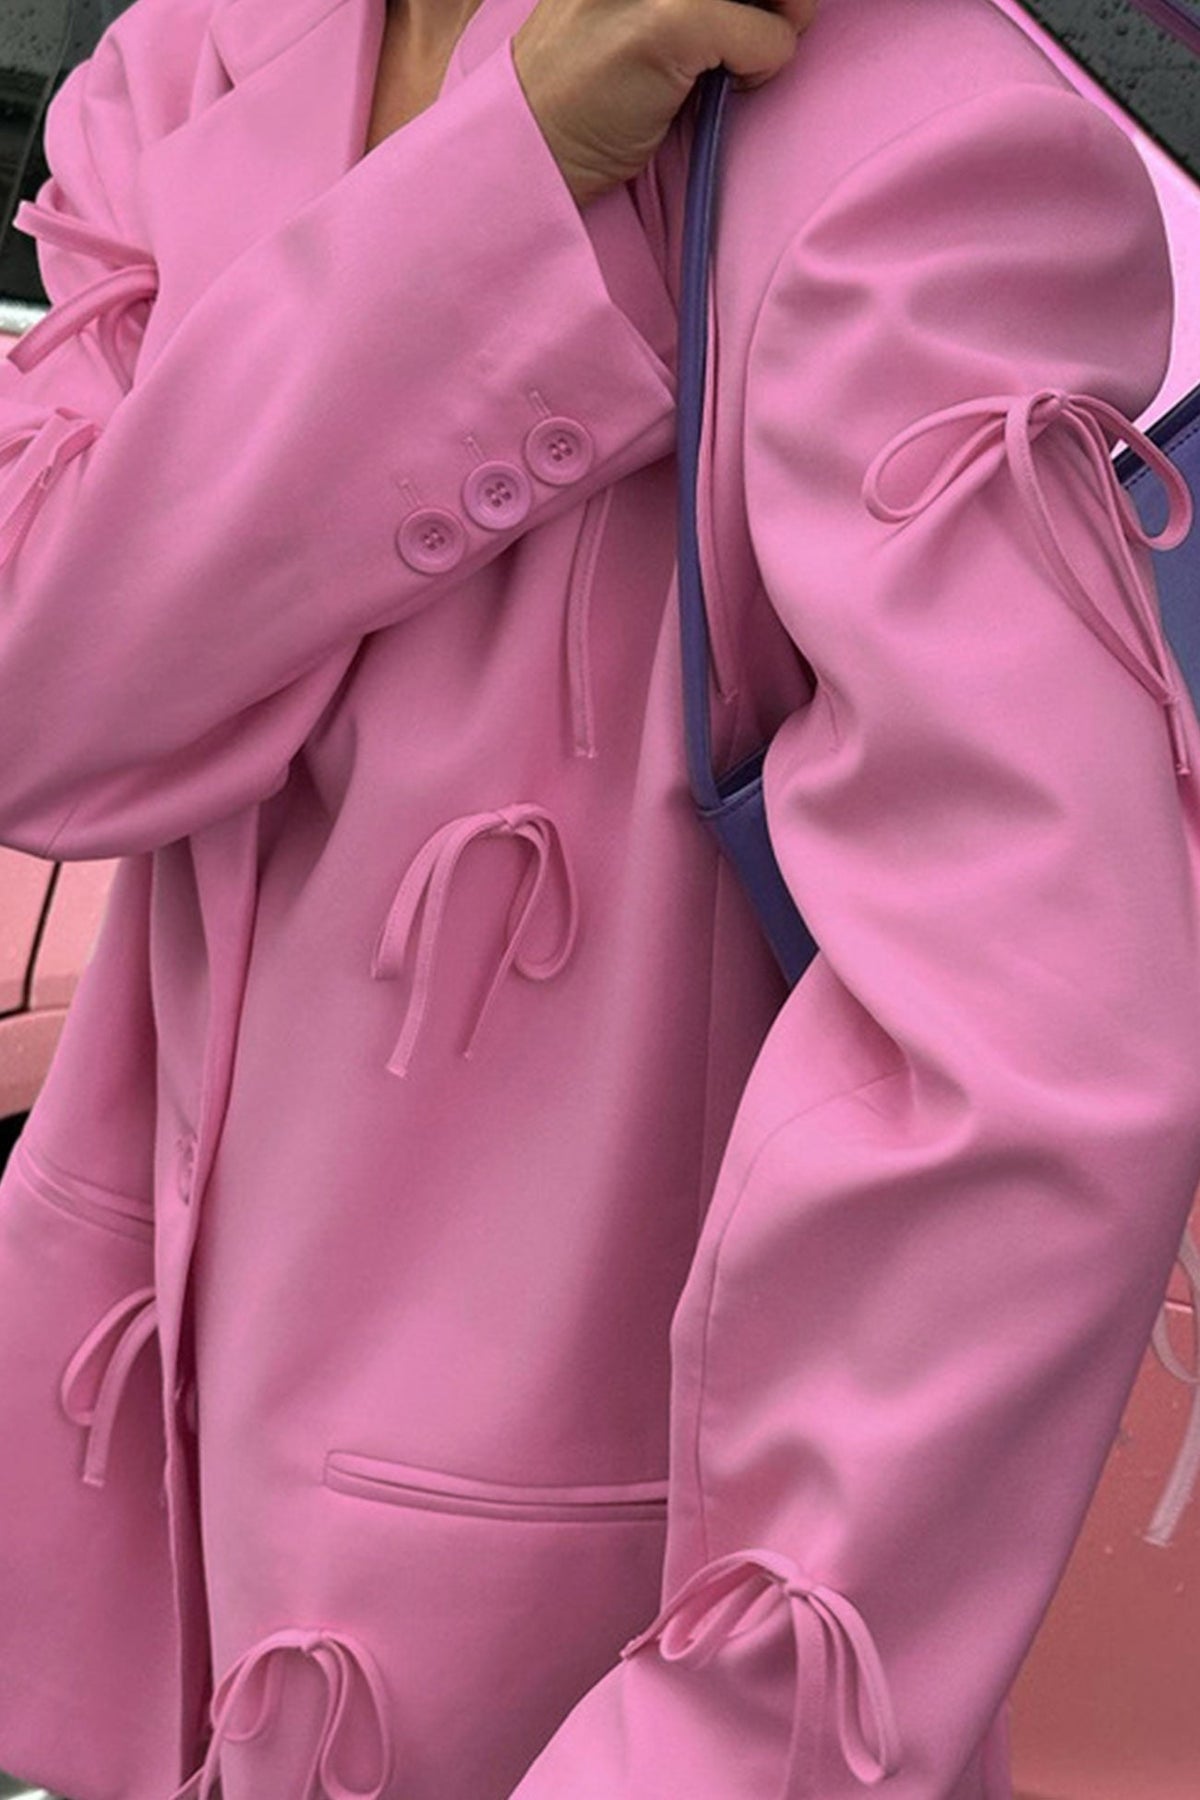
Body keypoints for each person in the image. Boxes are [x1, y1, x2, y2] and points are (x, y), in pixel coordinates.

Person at [0, 0, 1197, 1795]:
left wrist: (714, 1744)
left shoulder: (909, 141)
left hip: (574, 1682)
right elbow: (39, 688)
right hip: (165, 1565)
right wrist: (505, 189)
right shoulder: (196, 57)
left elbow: (1034, 1070)